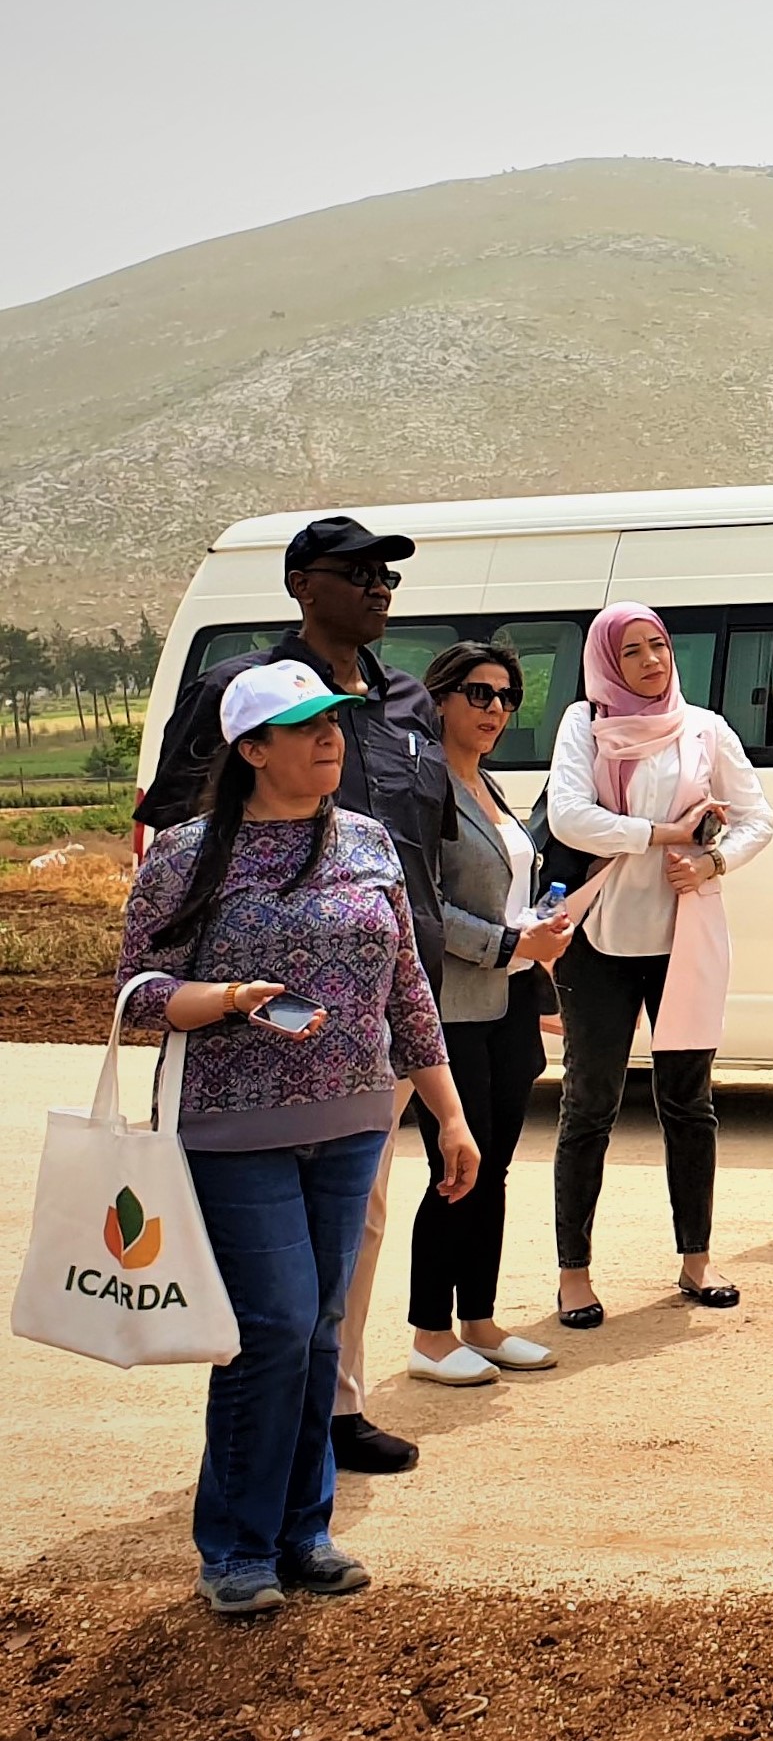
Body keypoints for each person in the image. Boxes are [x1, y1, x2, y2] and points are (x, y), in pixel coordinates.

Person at [114, 659, 477, 1615]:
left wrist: (447, 1110)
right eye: (304, 725)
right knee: (269, 1328)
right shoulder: (187, 853)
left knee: (317, 1329)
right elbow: (139, 990)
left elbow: (406, 988)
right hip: (234, 1127)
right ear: (250, 749)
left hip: (356, 1118)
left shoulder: (366, 838)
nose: (329, 738)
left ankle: (303, 1531)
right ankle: (232, 1545)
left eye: (334, 723)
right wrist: (227, 1000)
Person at [136, 514, 453, 1476]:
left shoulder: (405, 699)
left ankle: (336, 1408)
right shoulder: (236, 690)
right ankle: (277, 1461)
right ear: (302, 585)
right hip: (259, 1039)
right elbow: (176, 831)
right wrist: (228, 977)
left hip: (381, 1006)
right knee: (286, 1287)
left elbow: (426, 840)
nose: (378, 589)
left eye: (386, 574)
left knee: (357, 1231)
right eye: (356, 573)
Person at [545, 601, 773, 1325]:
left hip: (685, 937)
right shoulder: (585, 724)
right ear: (608, 661)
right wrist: (661, 834)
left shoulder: (705, 727)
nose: (651, 661)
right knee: (589, 1107)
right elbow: (567, 815)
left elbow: (756, 816)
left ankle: (696, 1260)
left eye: (659, 646)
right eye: (634, 651)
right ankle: (573, 1272)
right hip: (601, 940)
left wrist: (712, 859)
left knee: (689, 1105)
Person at [402, 643, 571, 1386]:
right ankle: (429, 1332)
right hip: (453, 1006)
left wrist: (541, 928)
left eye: (507, 696)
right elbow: (423, 904)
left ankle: (479, 1319)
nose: (497, 708)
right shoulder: (423, 786)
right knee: (456, 1167)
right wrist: (508, 942)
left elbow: (504, 885)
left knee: (493, 1166)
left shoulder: (491, 786)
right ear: (439, 699)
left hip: (508, 1003)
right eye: (479, 693)